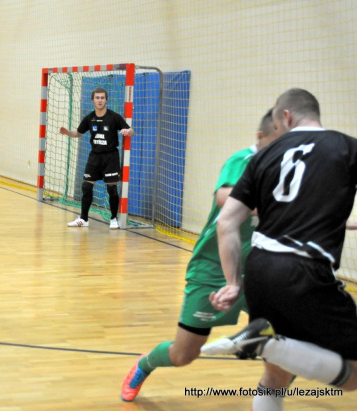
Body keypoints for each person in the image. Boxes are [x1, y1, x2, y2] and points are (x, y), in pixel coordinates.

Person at [203, 89, 357, 409]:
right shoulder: (345, 146)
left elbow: (226, 222)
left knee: (276, 377)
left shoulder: (263, 156)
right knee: (354, 376)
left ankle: (267, 343)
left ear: (285, 117)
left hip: (258, 271)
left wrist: (233, 283)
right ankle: (265, 344)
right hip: (305, 273)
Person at [120, 109, 282, 403]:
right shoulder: (244, 159)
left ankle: (269, 398)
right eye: (278, 141)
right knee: (184, 355)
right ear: (260, 138)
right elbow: (224, 197)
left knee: (284, 342)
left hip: (260, 271)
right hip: (212, 269)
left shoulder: (288, 169)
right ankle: (144, 364)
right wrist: (268, 206)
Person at [59, 87, 134, 229]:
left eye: (102, 98)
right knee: (86, 186)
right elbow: (78, 132)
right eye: (97, 98)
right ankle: (84, 219)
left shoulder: (114, 117)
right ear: (93, 100)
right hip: (94, 157)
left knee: (112, 189)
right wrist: (67, 132)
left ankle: (113, 219)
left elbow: (131, 132)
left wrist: (128, 131)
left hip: (111, 157)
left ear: (106, 100)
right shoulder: (89, 118)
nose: (100, 100)